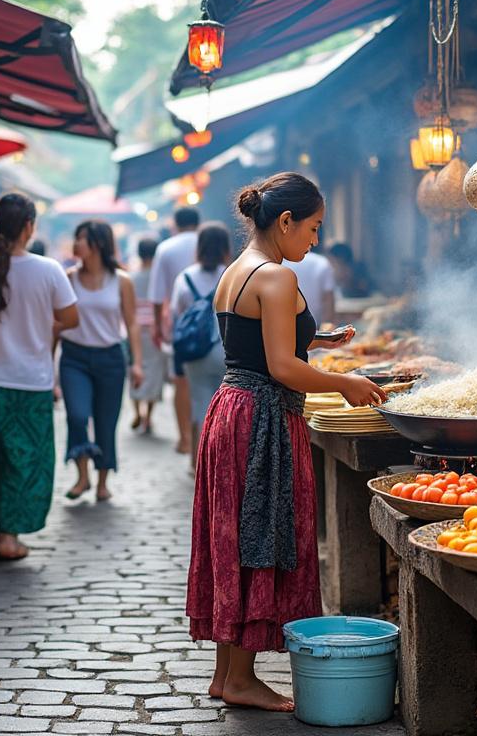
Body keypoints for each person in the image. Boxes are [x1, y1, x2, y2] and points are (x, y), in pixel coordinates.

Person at [186, 172, 384, 712]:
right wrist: (344, 383)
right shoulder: (276, 276)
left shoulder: (238, 269)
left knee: (235, 537)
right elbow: (280, 366)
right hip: (263, 419)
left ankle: (226, 675)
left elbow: (253, 340)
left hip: (231, 410)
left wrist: (317, 337)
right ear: (286, 221)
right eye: (314, 228)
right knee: (260, 536)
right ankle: (242, 678)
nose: (316, 240)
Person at [0, 193, 79, 561]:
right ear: (29, 227)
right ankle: (9, 535)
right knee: (27, 460)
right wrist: (40, 323)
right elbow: (70, 319)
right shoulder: (49, 270)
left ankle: (1, 532)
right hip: (31, 383)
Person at [60, 221, 144, 502]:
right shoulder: (68, 278)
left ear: (97, 244)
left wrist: (136, 363)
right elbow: (56, 322)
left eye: (81, 238)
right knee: (77, 415)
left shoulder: (121, 280)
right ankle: (82, 476)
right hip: (74, 357)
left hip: (110, 358)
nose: (76, 243)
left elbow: (132, 323)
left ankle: (102, 481)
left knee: (106, 422)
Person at [171, 222, 231, 471]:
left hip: (194, 351)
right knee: (225, 408)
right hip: (225, 350)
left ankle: (196, 464)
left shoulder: (185, 278)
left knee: (199, 406)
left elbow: (177, 314)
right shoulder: (232, 274)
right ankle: (221, 464)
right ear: (225, 247)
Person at [148, 207, 200, 453]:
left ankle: (185, 438)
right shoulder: (208, 242)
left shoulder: (166, 248)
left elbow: (157, 294)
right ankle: (201, 438)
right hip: (212, 325)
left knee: (181, 382)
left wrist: (157, 325)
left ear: (175, 224)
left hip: (178, 323)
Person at [129, 238, 165, 432]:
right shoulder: (158, 278)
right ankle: (148, 417)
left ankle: (137, 412)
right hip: (154, 330)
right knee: (154, 372)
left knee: (134, 368)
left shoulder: (131, 278)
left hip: (134, 329)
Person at [282, 243, 335, 328]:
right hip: (315, 327)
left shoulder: (281, 262)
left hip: (286, 325)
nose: (315, 240)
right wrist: (326, 327)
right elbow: (328, 299)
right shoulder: (322, 262)